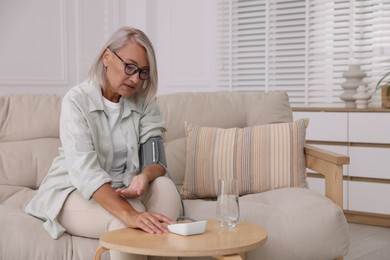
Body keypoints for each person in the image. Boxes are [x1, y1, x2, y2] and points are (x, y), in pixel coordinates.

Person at [25, 26, 182, 260]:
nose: (135, 78)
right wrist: (131, 215)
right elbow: (87, 174)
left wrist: (145, 176)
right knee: (129, 220)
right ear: (107, 57)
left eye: (143, 72)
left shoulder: (145, 102)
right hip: (75, 192)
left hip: (125, 188)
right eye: (130, 66)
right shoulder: (76, 101)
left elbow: (157, 160)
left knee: (167, 189)